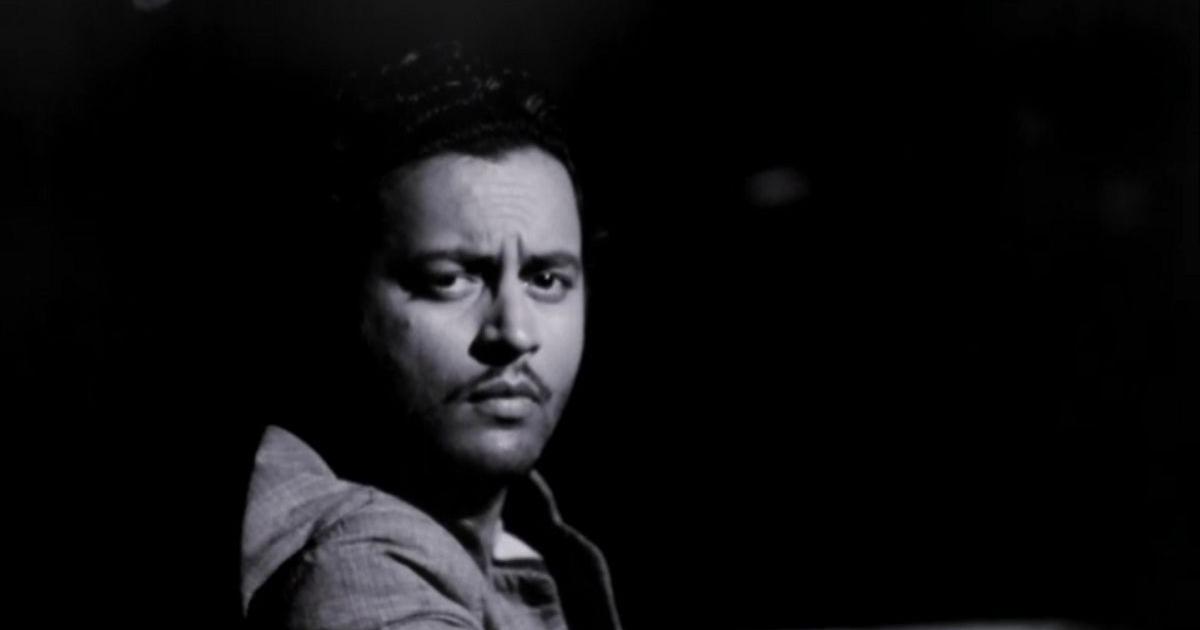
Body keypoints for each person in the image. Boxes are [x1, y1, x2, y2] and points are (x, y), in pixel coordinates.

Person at [238, 44, 621, 630]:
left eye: (546, 280)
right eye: (448, 280)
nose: (515, 332)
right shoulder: (359, 578)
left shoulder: (513, 536)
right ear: (341, 294)